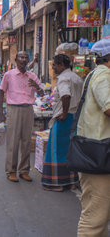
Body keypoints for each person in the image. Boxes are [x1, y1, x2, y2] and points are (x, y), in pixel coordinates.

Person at [76, 39, 110, 237]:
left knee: (100, 214)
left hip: (97, 152)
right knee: (95, 218)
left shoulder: (96, 74)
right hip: (98, 153)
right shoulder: (103, 76)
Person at [0, 51, 44, 182]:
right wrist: (1, 112)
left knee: (26, 141)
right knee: (13, 141)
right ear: (16, 59)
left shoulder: (32, 76)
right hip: (13, 109)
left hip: (28, 110)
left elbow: (41, 94)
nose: (23, 60)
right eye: (21, 57)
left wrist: (37, 87)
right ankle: (11, 171)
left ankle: (24, 170)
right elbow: (1, 92)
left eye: (25, 58)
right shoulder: (9, 75)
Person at [41, 54, 83, 192]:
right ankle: (71, 181)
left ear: (61, 65)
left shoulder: (63, 78)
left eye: (54, 64)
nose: (53, 67)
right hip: (75, 117)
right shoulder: (76, 77)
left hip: (64, 118)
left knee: (56, 150)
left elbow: (66, 95)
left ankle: (56, 183)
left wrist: (64, 113)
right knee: (69, 150)